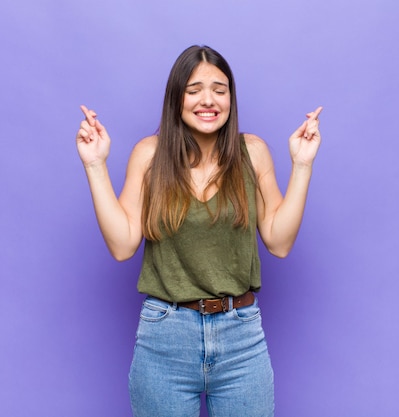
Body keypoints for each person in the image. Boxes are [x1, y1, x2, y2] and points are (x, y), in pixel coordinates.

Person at [75, 45, 322, 417]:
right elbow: (123, 245)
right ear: (177, 97)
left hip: (240, 336)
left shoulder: (252, 153)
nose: (208, 100)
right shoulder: (149, 155)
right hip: (165, 338)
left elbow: (279, 241)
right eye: (194, 90)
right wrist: (95, 166)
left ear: (231, 98)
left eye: (219, 90)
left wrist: (302, 166)